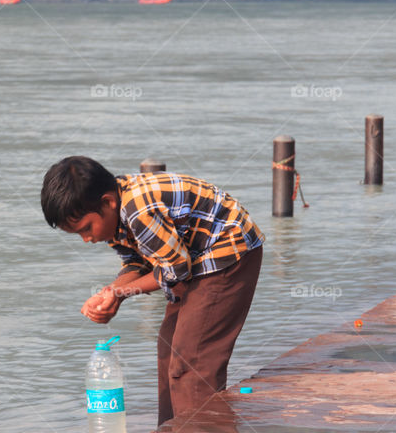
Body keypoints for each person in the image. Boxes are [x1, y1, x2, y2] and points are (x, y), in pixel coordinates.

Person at [41, 156, 264, 425]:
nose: (87, 239)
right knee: (169, 351)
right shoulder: (115, 215)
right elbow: (137, 263)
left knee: (192, 361)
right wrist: (112, 293)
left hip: (225, 254)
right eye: (78, 234)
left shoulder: (138, 211)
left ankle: (201, 429)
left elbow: (176, 268)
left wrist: (120, 293)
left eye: (86, 228)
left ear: (107, 203)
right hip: (192, 259)